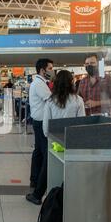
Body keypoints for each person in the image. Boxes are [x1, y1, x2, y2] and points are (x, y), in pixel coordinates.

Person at [28, 70, 85, 205]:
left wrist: (49, 138)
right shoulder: (78, 100)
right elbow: (81, 123)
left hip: (54, 142)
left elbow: (46, 125)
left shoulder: (51, 101)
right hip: (71, 141)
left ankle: (37, 195)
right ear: (72, 83)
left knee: (48, 168)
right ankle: (72, 197)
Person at [26, 58, 54, 204]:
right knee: (45, 154)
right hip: (41, 122)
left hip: (37, 120)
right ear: (43, 70)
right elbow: (51, 100)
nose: (52, 70)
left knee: (38, 152)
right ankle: (38, 191)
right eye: (50, 68)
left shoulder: (39, 83)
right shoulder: (39, 84)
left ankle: (34, 179)